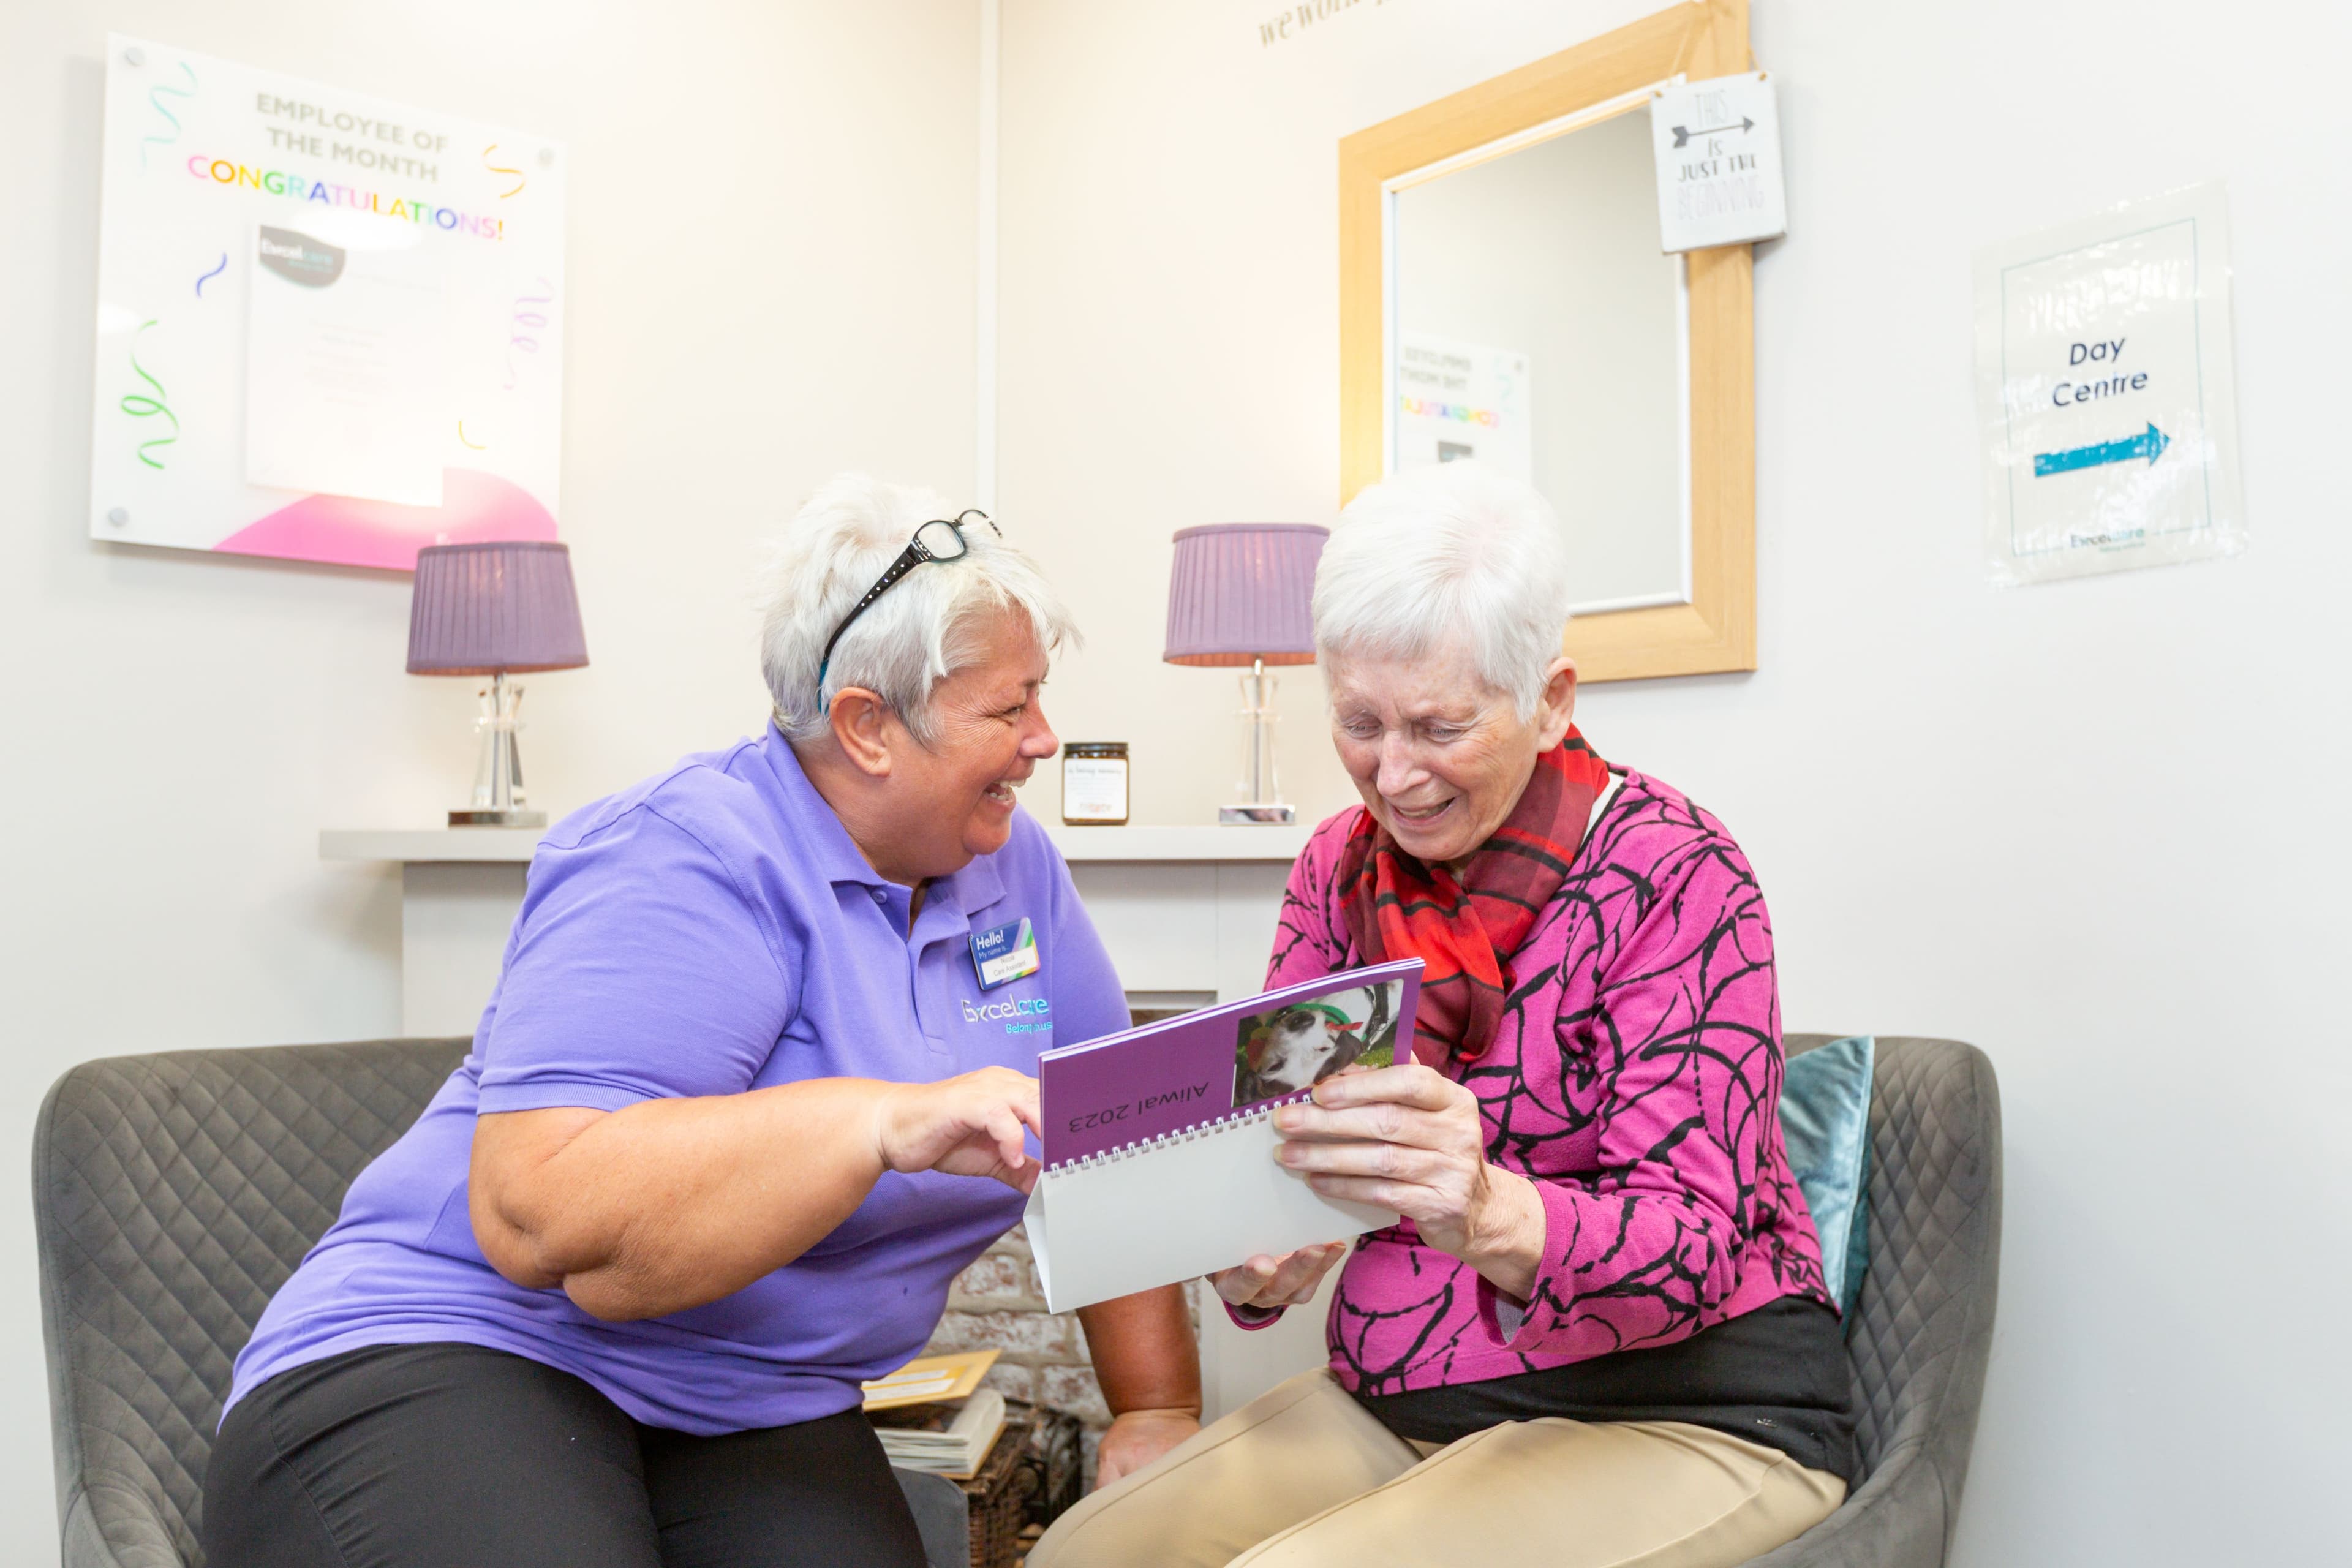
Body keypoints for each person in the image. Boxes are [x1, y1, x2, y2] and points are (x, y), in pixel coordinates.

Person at [204, 476, 1204, 1568]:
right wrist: (876, 1124)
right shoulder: (687, 857)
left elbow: (1115, 1132)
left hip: (752, 1401)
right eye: (1010, 710)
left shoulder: (1010, 871)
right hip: (461, 1351)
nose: (1044, 741)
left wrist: (1156, 1405)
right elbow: (539, 1216)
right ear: (868, 725)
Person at [1029, 462, 1855, 1568]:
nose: (1393, 773)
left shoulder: (1680, 877)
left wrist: (1487, 1209)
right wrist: (1250, 1245)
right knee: (1082, 1556)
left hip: (1684, 1406)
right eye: (1360, 722)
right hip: (1414, 1396)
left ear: (1552, 698)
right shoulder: (1336, 869)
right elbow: (1274, 1162)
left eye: (1439, 726)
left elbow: (1697, 1250)